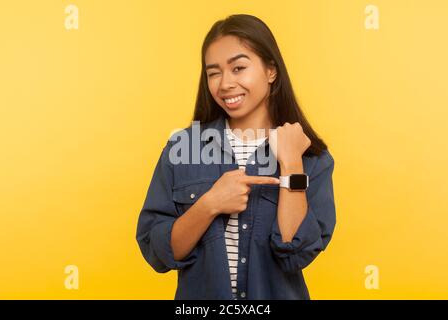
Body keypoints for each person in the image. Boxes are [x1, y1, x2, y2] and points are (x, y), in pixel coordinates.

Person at [136, 14, 336, 300]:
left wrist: (291, 164)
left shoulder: (312, 157)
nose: (225, 83)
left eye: (238, 68)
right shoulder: (182, 149)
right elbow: (157, 253)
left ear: (271, 71)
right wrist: (210, 204)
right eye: (214, 72)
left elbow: (296, 253)